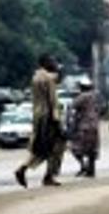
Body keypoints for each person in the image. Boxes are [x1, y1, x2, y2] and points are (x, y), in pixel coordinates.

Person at [15, 55, 64, 187]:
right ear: (46, 63)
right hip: (48, 117)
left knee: (40, 146)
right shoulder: (48, 79)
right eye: (52, 61)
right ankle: (47, 175)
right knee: (56, 146)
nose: (54, 63)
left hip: (38, 116)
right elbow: (52, 100)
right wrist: (57, 121)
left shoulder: (35, 77)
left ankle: (27, 169)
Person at [69, 76, 101, 178]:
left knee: (76, 148)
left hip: (84, 127)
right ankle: (91, 171)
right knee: (92, 150)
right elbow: (102, 110)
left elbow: (72, 107)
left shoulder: (82, 97)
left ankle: (83, 166)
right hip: (95, 126)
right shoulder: (96, 97)